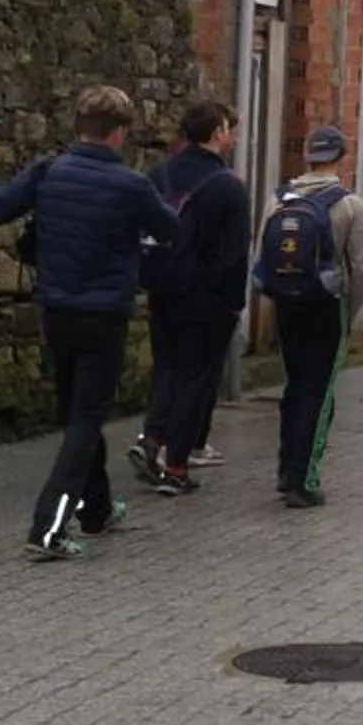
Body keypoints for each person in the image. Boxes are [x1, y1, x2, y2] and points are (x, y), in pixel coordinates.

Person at [0, 86, 183, 561]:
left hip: (57, 311)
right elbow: (172, 231)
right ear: (120, 132)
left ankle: (95, 510)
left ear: (79, 126)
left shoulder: (49, 172)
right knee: (85, 418)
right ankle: (48, 528)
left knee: (77, 412)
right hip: (104, 315)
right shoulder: (132, 186)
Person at [131, 101, 249, 496]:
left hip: (162, 285)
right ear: (217, 132)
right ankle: (177, 466)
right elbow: (234, 255)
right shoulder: (228, 186)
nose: (233, 137)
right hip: (207, 297)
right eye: (230, 129)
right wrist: (233, 303)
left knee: (166, 367)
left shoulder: (158, 174)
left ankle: (152, 438)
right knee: (195, 379)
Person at [256, 124, 363, 507]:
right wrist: (350, 313)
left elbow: (263, 255)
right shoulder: (350, 204)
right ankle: (303, 480)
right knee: (319, 393)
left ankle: (285, 468)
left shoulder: (279, 200)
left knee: (294, 384)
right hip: (326, 304)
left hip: (287, 303)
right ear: (341, 157)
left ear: (307, 155)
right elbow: (362, 267)